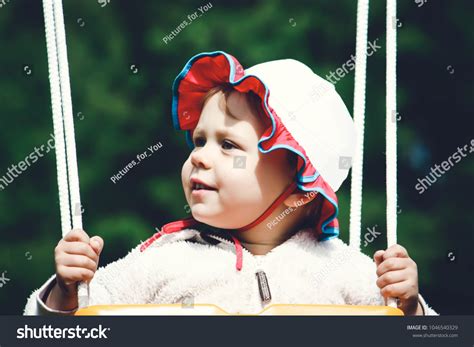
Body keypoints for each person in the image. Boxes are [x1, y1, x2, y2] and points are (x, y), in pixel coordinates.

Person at [23, 51, 437, 316]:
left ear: (301, 180)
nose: (199, 156)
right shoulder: (163, 260)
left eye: (228, 145)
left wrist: (407, 305)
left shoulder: (345, 271)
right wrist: (65, 291)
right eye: (200, 140)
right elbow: (65, 327)